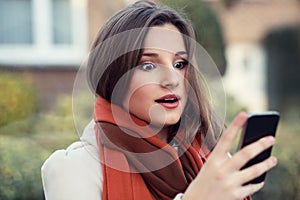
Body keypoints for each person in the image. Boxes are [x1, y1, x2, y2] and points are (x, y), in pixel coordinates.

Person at [41, 1, 277, 199]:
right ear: (114, 75)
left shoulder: (210, 163)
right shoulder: (73, 169)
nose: (172, 79)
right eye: (148, 65)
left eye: (179, 64)